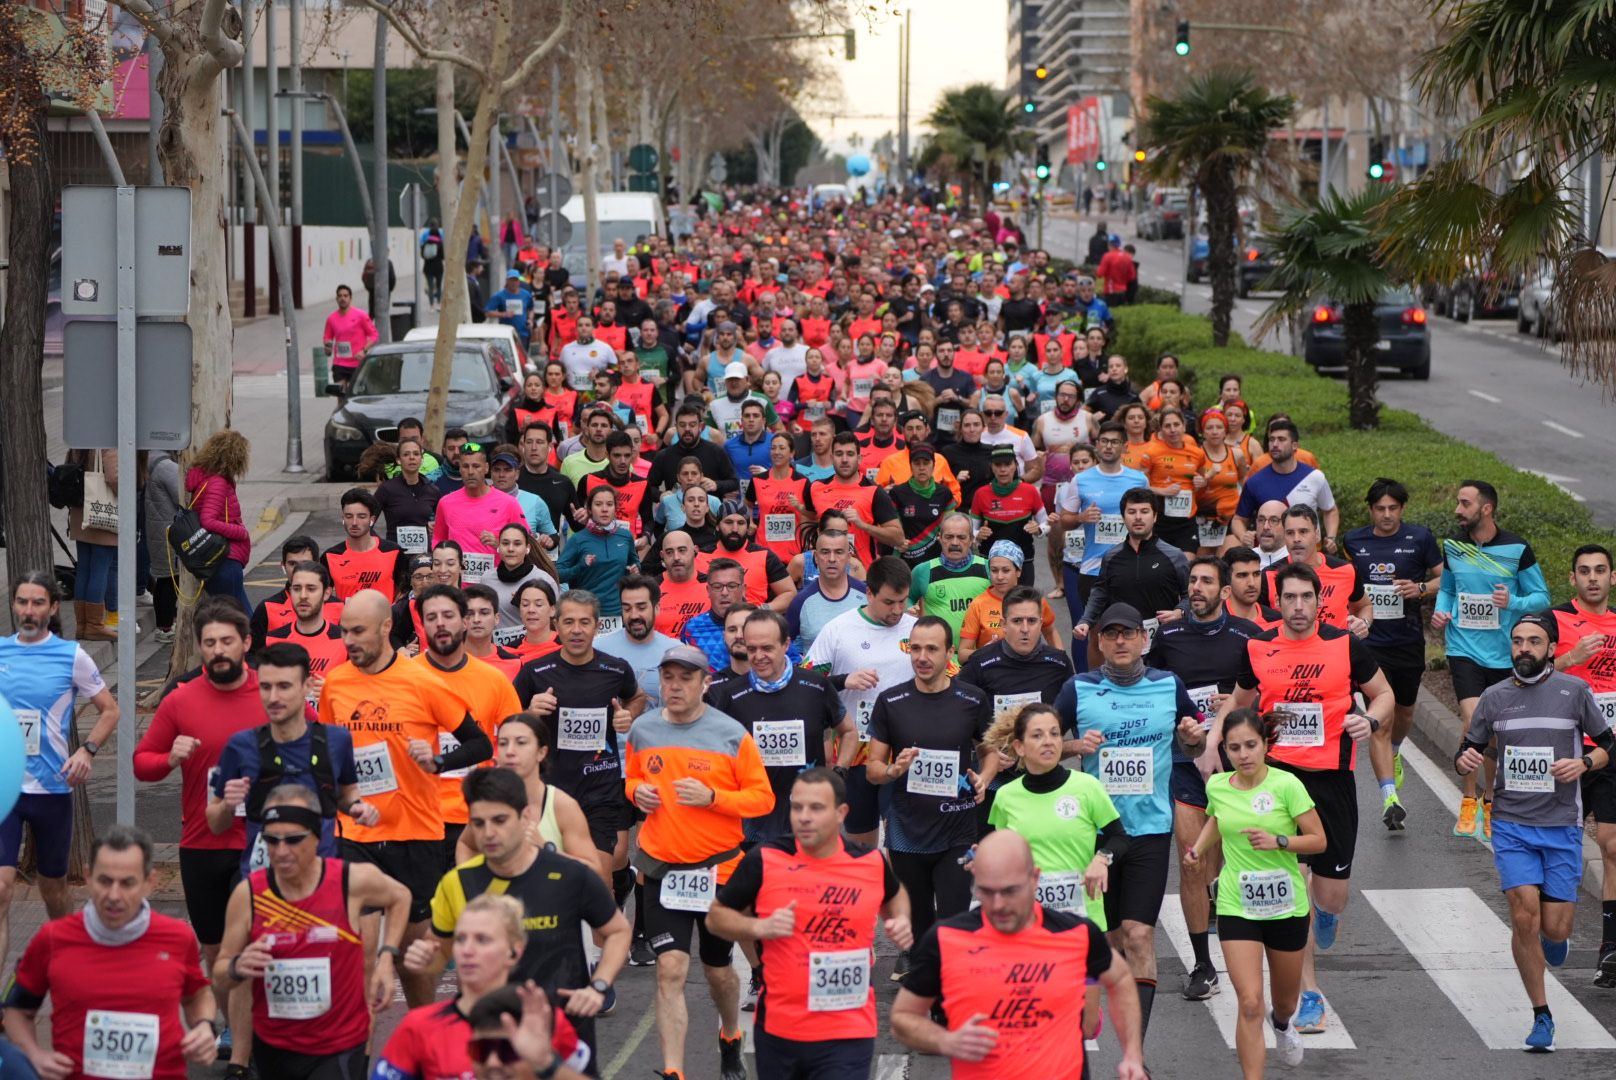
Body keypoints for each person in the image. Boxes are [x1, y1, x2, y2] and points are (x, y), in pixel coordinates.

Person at [1210, 562, 1396, 1035]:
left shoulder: (1344, 645)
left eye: (1305, 598)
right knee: (1295, 885)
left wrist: (1368, 722)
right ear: (1280, 600)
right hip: (1277, 780)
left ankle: (1327, 911)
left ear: (1318, 600)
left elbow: (1384, 695)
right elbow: (1239, 703)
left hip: (1330, 779)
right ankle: (1310, 993)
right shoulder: (1258, 646)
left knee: (1331, 895)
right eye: (1288, 598)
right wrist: (1213, 741)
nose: (1296, 607)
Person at [319, 590, 492, 1007]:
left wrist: (437, 760)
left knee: (413, 966)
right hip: (357, 834)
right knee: (360, 958)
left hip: (415, 834)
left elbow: (480, 745)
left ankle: (427, 1049)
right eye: (344, 632)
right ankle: (357, 1061)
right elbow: (327, 756)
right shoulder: (337, 683)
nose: (349, 641)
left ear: (384, 628)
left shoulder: (424, 682)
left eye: (358, 631)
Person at [1455, 611, 1615, 1051]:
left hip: (1561, 825)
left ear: (1550, 647)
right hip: (1511, 825)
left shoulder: (1574, 692)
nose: (1525, 648)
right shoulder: (1494, 696)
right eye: (1518, 640)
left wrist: (1583, 763)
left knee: (1556, 929)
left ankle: (1554, 937)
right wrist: (1463, 761)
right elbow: (1468, 749)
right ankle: (1541, 1015)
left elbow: (1608, 745)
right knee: (1523, 914)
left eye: (1534, 641)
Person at [623, 644, 775, 1080]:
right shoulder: (644, 730)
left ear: (705, 683)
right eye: (667, 677)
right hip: (661, 868)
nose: (674, 686)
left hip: (717, 871)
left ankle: (730, 1036)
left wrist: (714, 798)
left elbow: (762, 799)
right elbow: (632, 778)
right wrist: (637, 794)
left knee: (717, 971)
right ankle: (675, 1072)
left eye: (685, 678)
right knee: (670, 967)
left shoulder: (731, 734)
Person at [707, 768, 914, 1080]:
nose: (804, 817)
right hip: (780, 1031)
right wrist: (758, 928)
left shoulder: (868, 862)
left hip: (848, 1029)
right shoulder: (766, 859)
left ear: (841, 813)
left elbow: (896, 893)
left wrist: (900, 920)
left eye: (816, 808)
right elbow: (716, 917)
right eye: (797, 807)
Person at [891, 829, 1148, 1080]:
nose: (999, 904)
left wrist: (1133, 1056)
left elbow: (1121, 979)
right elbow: (902, 1017)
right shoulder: (946, 939)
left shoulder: (1076, 933)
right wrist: (945, 1040)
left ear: (1034, 878)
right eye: (987, 892)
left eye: (1010, 891)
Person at [1057, 602, 1204, 1038]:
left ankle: (1134, 1049)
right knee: (1110, 938)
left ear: (1144, 639)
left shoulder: (1168, 685)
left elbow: (1194, 742)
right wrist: (1073, 748)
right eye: (1111, 634)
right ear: (1099, 643)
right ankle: (1099, 1003)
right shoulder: (1077, 689)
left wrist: (1193, 740)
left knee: (1139, 935)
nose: (1120, 641)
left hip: (1150, 830)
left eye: (1128, 633)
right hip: (1095, 834)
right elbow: (1039, 744)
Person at [130, 599, 264, 1071]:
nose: (218, 650)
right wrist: (169, 758)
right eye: (209, 643)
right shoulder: (180, 701)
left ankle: (246, 1053)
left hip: (258, 844)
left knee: (244, 945)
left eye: (227, 641)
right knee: (213, 948)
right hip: (202, 843)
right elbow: (141, 763)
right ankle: (233, 1021)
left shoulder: (270, 695)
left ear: (246, 643)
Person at [419, 768, 630, 1065]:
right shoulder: (458, 882)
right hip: (489, 1031)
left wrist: (599, 985)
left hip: (563, 1027)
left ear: (526, 816)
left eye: (500, 821)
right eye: (478, 824)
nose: (488, 833)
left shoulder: (570, 875)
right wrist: (424, 958)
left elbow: (618, 931)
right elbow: (438, 952)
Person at [213, 787, 409, 1080]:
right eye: (272, 840)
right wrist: (236, 967)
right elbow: (219, 972)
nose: (281, 851)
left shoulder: (350, 881)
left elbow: (400, 897)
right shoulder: (250, 894)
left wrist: (386, 958)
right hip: (275, 1046)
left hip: (339, 1044)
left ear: (317, 837)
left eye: (293, 840)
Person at [4, 825, 218, 1080]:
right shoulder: (53, 938)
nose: (114, 895)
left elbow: (197, 995)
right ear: (88, 876)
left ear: (149, 883)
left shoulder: (177, 938)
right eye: (105, 881)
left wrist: (204, 1026)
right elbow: (17, 1011)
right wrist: (34, 1055)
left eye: (127, 883)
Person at [1184, 708, 1329, 1078]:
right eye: (1234, 748)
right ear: (1226, 752)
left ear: (1266, 744)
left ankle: (1282, 1025)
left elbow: (1318, 839)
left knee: (1283, 1003)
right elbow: (1217, 818)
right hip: (1238, 905)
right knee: (1249, 1003)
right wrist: (1198, 849)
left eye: (1250, 745)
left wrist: (1279, 841)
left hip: (1286, 907)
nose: (1243, 754)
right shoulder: (1218, 786)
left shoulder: (1286, 786)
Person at [1145, 556, 1264, 999]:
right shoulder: (1170, 635)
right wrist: (1182, 723)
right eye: (1193, 581)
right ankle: (1202, 965)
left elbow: (1264, 692)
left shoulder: (1248, 636)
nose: (1198, 588)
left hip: (1241, 769)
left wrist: (1231, 710)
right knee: (1192, 862)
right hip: (1186, 764)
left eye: (1207, 581)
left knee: (1241, 860)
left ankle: (1253, 943)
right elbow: (1153, 689)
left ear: (1224, 591)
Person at [0, 572, 120, 976]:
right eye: (22, 602)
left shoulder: (72, 656)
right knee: (1, 889)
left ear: (53, 608)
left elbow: (111, 710)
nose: (28, 611)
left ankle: (69, 962)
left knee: (53, 888)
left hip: (52, 789)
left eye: (37, 603)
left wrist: (87, 750)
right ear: (13, 605)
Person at [866, 616, 997, 975]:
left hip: (958, 828)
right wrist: (893, 770)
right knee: (921, 919)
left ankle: (949, 1002)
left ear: (950, 652)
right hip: (907, 832)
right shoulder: (891, 701)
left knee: (954, 917)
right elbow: (873, 768)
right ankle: (923, 978)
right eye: (916, 648)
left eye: (932, 649)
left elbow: (989, 754)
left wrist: (984, 779)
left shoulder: (972, 699)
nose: (922, 657)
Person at [1435, 479, 1551, 840]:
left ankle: (1491, 798)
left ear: (1486, 509)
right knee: (1473, 721)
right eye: (1458, 502)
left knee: (1498, 735)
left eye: (1464, 503)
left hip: (1503, 654)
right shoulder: (1453, 546)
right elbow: (1448, 590)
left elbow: (1541, 597)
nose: (1457, 509)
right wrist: (1441, 613)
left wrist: (1513, 604)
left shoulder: (1517, 548)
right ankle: (1469, 799)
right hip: (1463, 648)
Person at [513, 589, 645, 887]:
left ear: (597, 626)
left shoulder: (615, 668)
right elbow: (508, 721)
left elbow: (636, 697)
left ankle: (609, 927)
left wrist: (629, 713)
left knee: (598, 880)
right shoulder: (535, 671)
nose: (576, 630)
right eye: (569, 622)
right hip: (550, 789)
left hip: (600, 788)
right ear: (556, 625)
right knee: (548, 881)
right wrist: (530, 711)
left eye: (584, 622)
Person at [380, 897, 593, 1079]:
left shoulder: (544, 1021)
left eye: (482, 939)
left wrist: (546, 1064)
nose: (467, 950)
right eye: (460, 939)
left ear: (514, 952)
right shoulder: (419, 1026)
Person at [1344, 478, 1445, 830]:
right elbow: (1346, 585)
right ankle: (1390, 797)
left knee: (1403, 712)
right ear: (1370, 510)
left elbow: (1443, 578)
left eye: (1393, 508)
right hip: (1369, 645)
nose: (1386, 515)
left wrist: (1419, 588)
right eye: (1380, 509)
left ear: (1402, 509)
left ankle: (1397, 750)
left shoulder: (1419, 538)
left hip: (1406, 641)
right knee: (1379, 720)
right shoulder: (1354, 541)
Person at [805, 557, 919, 850]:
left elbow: (951, 676)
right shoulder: (839, 629)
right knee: (860, 841)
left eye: (903, 601)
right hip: (856, 750)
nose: (897, 611)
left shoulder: (917, 630)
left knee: (902, 836)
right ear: (869, 593)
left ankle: (900, 893)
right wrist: (844, 680)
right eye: (889, 602)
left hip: (903, 750)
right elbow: (804, 684)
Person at [985, 702, 1124, 938]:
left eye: (1055, 733)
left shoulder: (1086, 786)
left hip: (1082, 919)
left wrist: (1102, 859)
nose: (1048, 741)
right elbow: (1001, 854)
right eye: (1037, 735)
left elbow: (1119, 837)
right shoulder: (1005, 797)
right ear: (1019, 747)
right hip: (1028, 922)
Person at [414, 585, 525, 859]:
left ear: (464, 621)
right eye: (431, 617)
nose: (440, 623)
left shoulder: (493, 679)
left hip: (476, 815)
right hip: (419, 818)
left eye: (448, 615)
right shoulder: (405, 678)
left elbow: (517, 744)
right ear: (423, 624)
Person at [1547, 544, 1616, 984]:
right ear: (1572, 579)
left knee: (1611, 845)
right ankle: (1556, 929)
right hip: (1565, 750)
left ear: (1613, 577)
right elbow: (1523, 672)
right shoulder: (1553, 620)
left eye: (1601, 571)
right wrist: (1571, 659)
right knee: (1561, 850)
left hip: (1610, 748)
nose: (1593, 578)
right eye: (1584, 571)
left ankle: (1610, 950)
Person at [1077, 488, 1190, 669]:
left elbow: (1190, 594)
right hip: (1124, 642)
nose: (1138, 517)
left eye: (1144, 512)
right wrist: (1086, 621)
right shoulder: (1111, 557)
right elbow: (1100, 591)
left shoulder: (1174, 556)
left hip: (1164, 642)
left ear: (1154, 517)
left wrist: (1180, 612)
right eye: (1132, 512)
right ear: (1123, 517)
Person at [1056, 421, 1148, 641]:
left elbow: (1150, 518)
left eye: (1115, 441)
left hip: (1132, 567)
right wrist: (1081, 517)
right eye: (1104, 441)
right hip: (1094, 569)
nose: (1109, 446)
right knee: (1098, 634)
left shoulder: (1139, 479)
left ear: (1124, 446)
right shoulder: (1082, 479)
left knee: (1132, 631)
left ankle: (1130, 676)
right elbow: (1065, 520)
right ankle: (1099, 677)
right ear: (1097, 445)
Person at [1259, 504, 1370, 635]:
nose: (1296, 539)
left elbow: (1364, 606)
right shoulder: (1268, 575)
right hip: (1289, 653)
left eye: (1303, 532)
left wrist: (1363, 623)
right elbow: (1256, 619)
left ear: (1317, 534)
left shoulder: (1345, 570)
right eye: (1290, 533)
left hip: (1336, 652)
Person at [803, 431, 905, 569]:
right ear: (832, 457)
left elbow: (898, 538)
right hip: (824, 571)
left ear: (859, 458)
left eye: (850, 454)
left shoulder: (874, 491)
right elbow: (808, 518)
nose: (844, 459)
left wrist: (863, 525)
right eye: (839, 454)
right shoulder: (816, 487)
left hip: (861, 574)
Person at [1232, 421, 1339, 549]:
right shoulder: (1255, 481)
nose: (1275, 444)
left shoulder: (1315, 477)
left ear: (1294, 445)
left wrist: (1331, 537)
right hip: (1271, 557)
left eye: (1281, 439)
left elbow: (1330, 510)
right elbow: (1238, 519)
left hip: (1309, 555)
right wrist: (1243, 536)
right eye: (1271, 440)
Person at [186, 428, 254, 614]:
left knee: (234, 615)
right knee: (242, 618)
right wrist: (241, 532)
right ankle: (260, 644)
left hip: (217, 560)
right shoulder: (217, 483)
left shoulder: (204, 480)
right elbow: (208, 520)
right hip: (225, 559)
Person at [557, 485, 641, 627]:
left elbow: (635, 563)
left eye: (609, 504)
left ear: (615, 508)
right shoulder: (578, 539)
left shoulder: (625, 536)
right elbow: (558, 574)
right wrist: (579, 567)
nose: (604, 509)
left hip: (619, 613)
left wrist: (634, 570)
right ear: (589, 509)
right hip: (586, 612)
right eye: (598, 504)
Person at [958, 547, 1061, 658]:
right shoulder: (978, 604)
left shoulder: (1034, 601)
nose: (999, 577)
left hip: (1030, 668)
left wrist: (1062, 661)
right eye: (994, 570)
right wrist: (985, 653)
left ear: (1018, 571)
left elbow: (1050, 632)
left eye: (1006, 570)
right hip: (992, 671)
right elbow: (962, 654)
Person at [433, 442, 528, 558]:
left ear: (486, 468)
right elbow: (438, 539)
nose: (471, 472)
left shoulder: (509, 503)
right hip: (458, 575)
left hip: (497, 574)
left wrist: (500, 545)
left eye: (476, 466)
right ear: (460, 469)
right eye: (465, 466)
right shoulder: (446, 503)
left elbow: (525, 542)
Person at [908, 513, 991, 643]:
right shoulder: (923, 571)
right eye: (949, 537)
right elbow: (907, 598)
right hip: (940, 658)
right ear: (939, 538)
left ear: (971, 539)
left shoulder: (988, 568)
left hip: (979, 655)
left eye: (961, 537)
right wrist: (909, 609)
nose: (955, 543)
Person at [783, 526, 866, 653]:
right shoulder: (800, 601)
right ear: (816, 557)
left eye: (838, 552)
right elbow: (783, 645)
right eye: (825, 552)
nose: (832, 559)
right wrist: (798, 665)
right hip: (815, 673)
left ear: (849, 557)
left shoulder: (866, 595)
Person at [323, 487, 406, 601]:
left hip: (386, 618)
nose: (354, 522)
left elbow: (405, 593)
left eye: (361, 516)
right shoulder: (330, 556)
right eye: (349, 516)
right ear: (343, 518)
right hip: (347, 618)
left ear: (372, 519)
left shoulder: (393, 552)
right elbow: (322, 597)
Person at [373, 438, 443, 551]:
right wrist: (380, 546)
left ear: (422, 459)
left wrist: (435, 526)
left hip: (423, 557)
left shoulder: (432, 490)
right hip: (395, 554)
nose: (412, 457)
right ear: (399, 460)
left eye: (416, 454)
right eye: (406, 454)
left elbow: (444, 524)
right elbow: (367, 522)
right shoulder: (386, 489)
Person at [322, 284, 378, 392]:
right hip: (339, 363)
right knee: (340, 393)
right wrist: (327, 347)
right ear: (336, 299)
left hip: (357, 362)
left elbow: (374, 335)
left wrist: (364, 350)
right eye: (340, 296)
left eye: (345, 296)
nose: (343, 298)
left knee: (355, 394)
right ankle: (342, 408)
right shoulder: (331, 319)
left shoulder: (361, 315)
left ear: (350, 298)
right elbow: (327, 337)